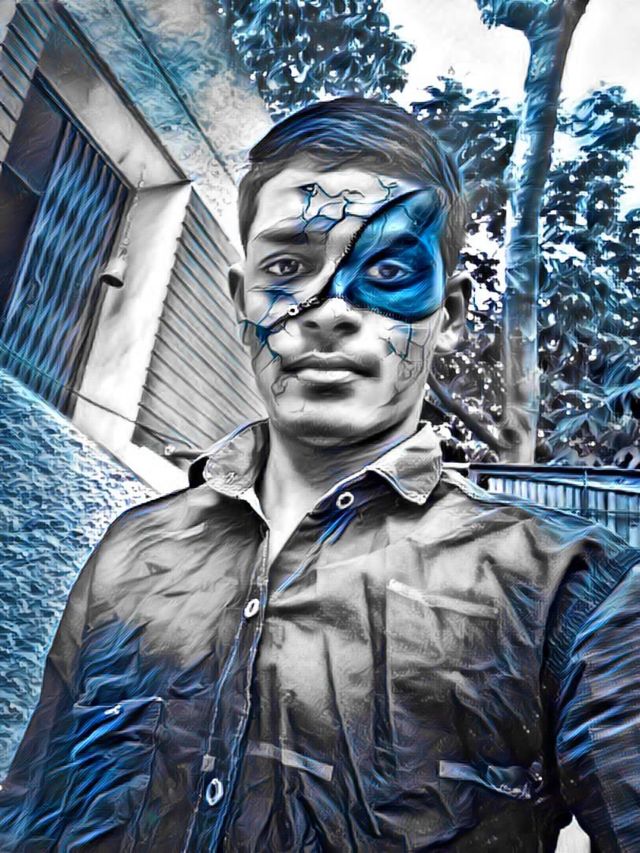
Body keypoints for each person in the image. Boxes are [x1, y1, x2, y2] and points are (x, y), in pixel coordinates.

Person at [1, 97, 639, 852]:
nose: (330, 309)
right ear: (239, 299)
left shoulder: (568, 589)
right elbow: (32, 811)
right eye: (287, 267)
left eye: (389, 269)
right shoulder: (131, 550)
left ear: (449, 313)